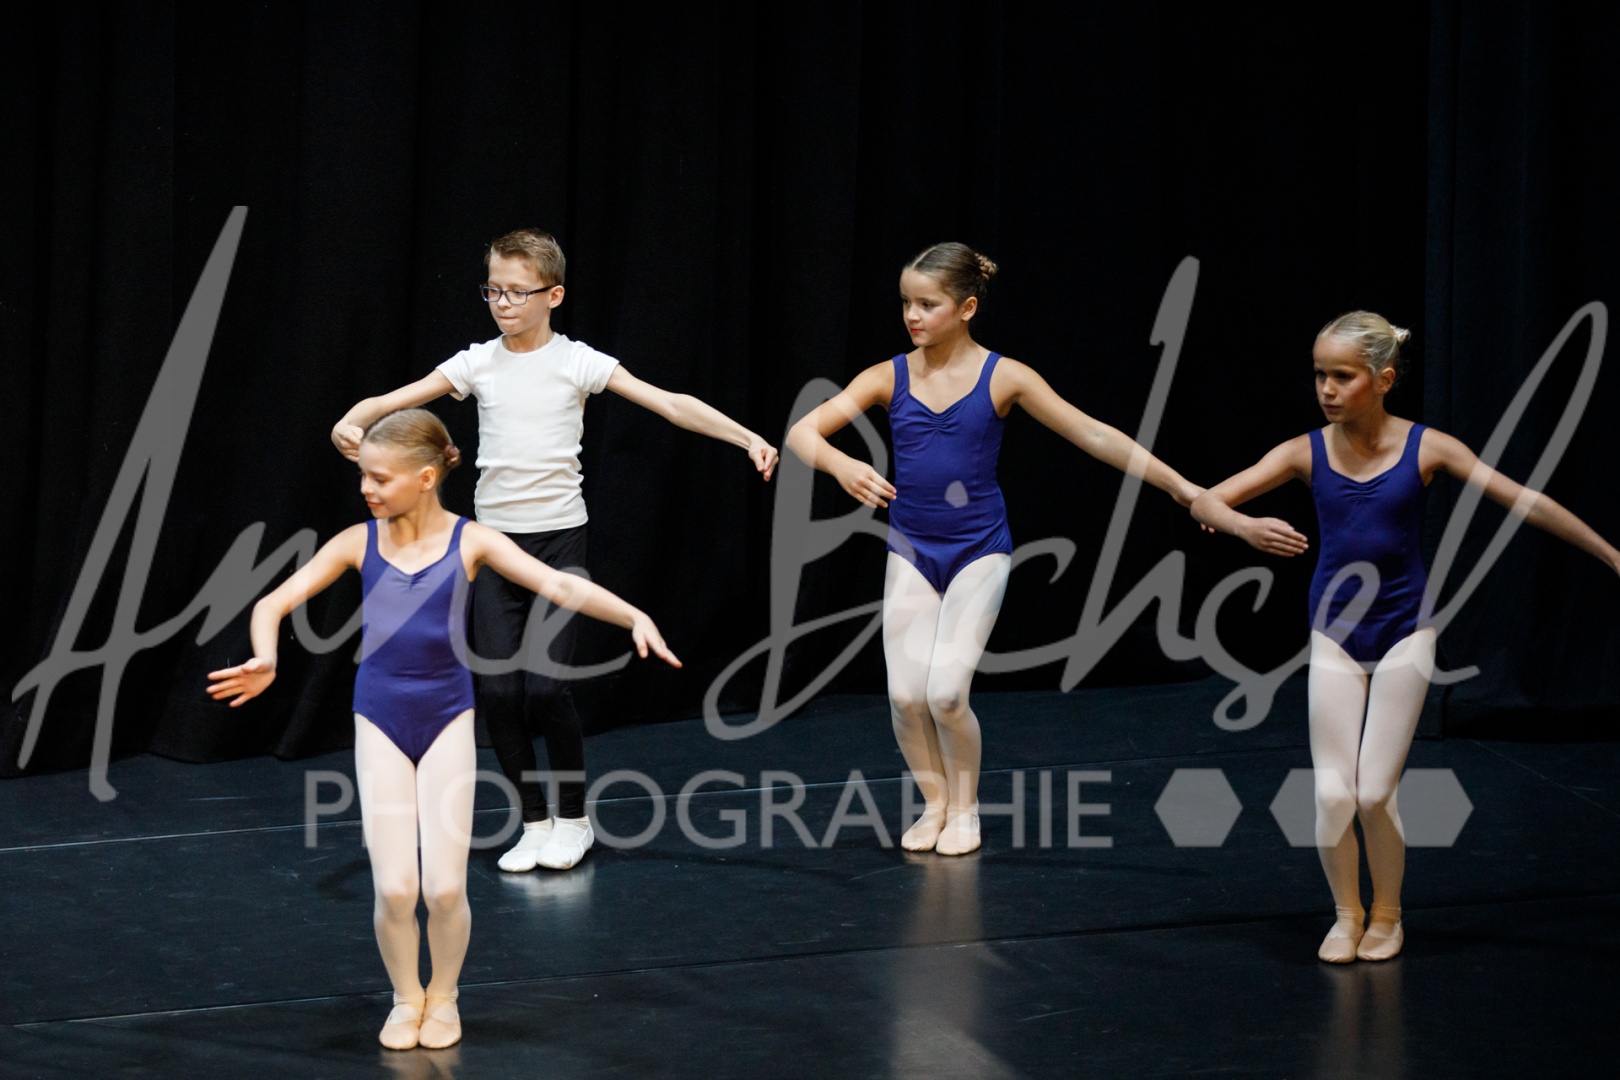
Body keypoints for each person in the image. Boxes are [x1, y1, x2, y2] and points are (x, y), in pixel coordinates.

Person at [207, 409, 679, 1049]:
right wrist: (267, 655)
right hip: (379, 717)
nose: (367, 488)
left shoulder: (472, 541)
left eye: (380, 478)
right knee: (397, 887)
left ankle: (445, 995)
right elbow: (273, 603)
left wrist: (632, 615)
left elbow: (557, 583)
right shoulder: (357, 542)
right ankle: (407, 997)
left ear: (426, 477)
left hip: (447, 717)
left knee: (445, 886)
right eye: (363, 476)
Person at [329, 229, 775, 873]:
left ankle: (573, 820)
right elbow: (388, 401)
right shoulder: (477, 363)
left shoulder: (577, 362)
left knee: (545, 689)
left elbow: (670, 405)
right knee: (498, 693)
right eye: (493, 291)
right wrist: (349, 421)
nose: (503, 304)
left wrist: (746, 438)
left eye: (518, 292)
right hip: (492, 547)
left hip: (559, 541)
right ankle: (534, 822)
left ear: (553, 295)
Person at [1191, 311, 1620, 962]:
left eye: (1342, 376)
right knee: (1332, 793)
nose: (1327, 389)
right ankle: (1347, 913)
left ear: (1384, 380)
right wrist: (1245, 527)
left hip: (1404, 628)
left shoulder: (1428, 447)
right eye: (1319, 375)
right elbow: (1205, 500)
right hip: (1334, 630)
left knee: (1372, 792)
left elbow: (1523, 500)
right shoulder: (1304, 452)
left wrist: (1611, 554)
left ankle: (1387, 914)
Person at [786, 242, 1203, 856]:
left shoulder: (1004, 377)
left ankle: (966, 807)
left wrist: (1182, 489)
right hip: (912, 549)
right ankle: (935, 804)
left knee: (946, 694)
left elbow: (1094, 434)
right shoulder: (888, 376)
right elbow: (802, 432)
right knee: (905, 697)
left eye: (928, 304)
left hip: (978, 550)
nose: (912, 315)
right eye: (905, 302)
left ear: (967, 308)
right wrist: (840, 464)